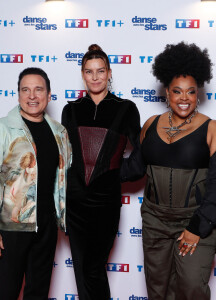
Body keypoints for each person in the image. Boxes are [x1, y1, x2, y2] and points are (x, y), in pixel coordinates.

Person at [140, 42, 216, 300]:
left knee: (192, 289)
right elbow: (133, 167)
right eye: (177, 91)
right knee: (158, 291)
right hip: (155, 221)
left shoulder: (214, 129)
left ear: (198, 94)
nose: (184, 98)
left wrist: (197, 228)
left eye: (191, 92)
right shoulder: (151, 124)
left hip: (194, 219)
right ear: (167, 92)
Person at [61, 44, 141, 300]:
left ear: (109, 73)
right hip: (74, 203)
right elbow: (65, 156)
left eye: (100, 71)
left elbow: (140, 156)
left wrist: (115, 174)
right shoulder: (70, 109)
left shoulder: (125, 108)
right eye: (89, 71)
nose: (95, 77)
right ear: (83, 75)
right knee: (82, 270)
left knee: (94, 268)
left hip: (105, 203)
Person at [0, 67, 72, 300]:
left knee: (38, 292)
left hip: (46, 225)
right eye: (25, 90)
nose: (32, 96)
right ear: (18, 94)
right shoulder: (3, 128)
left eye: (38, 89)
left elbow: (65, 174)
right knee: (6, 291)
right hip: (11, 226)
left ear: (48, 95)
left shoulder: (59, 132)